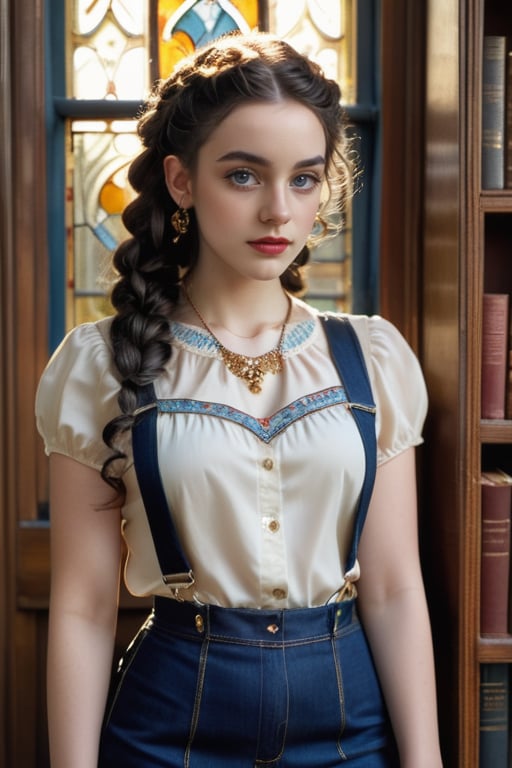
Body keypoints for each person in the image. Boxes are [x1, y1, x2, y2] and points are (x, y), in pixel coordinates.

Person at [36, 32, 443, 768]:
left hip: (351, 724)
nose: (278, 212)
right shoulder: (100, 365)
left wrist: (426, 761)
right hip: (169, 725)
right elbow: (83, 607)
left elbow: (391, 588)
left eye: (304, 179)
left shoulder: (373, 358)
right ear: (182, 180)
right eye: (245, 176)